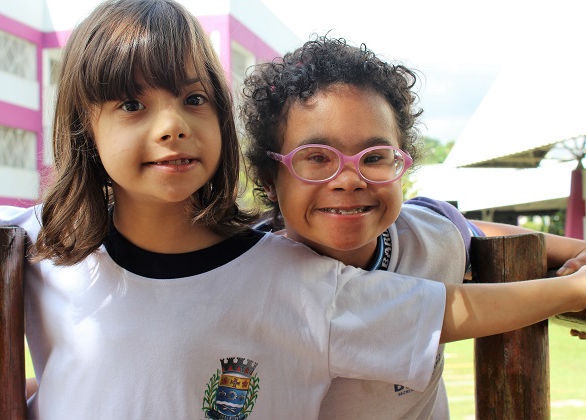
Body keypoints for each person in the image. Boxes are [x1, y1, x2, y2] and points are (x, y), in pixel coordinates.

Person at [0, 4, 586, 418]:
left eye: (194, 99)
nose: (172, 126)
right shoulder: (21, 244)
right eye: (131, 104)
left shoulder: (289, 276)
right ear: (82, 127)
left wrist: (571, 286)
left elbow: (447, 306)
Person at [240, 35, 586, 419]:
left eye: (375, 156)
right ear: (271, 178)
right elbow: (436, 311)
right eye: (317, 157)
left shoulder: (430, 234)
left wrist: (575, 251)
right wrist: (573, 289)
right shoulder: (251, 278)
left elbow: (474, 232)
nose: (349, 178)